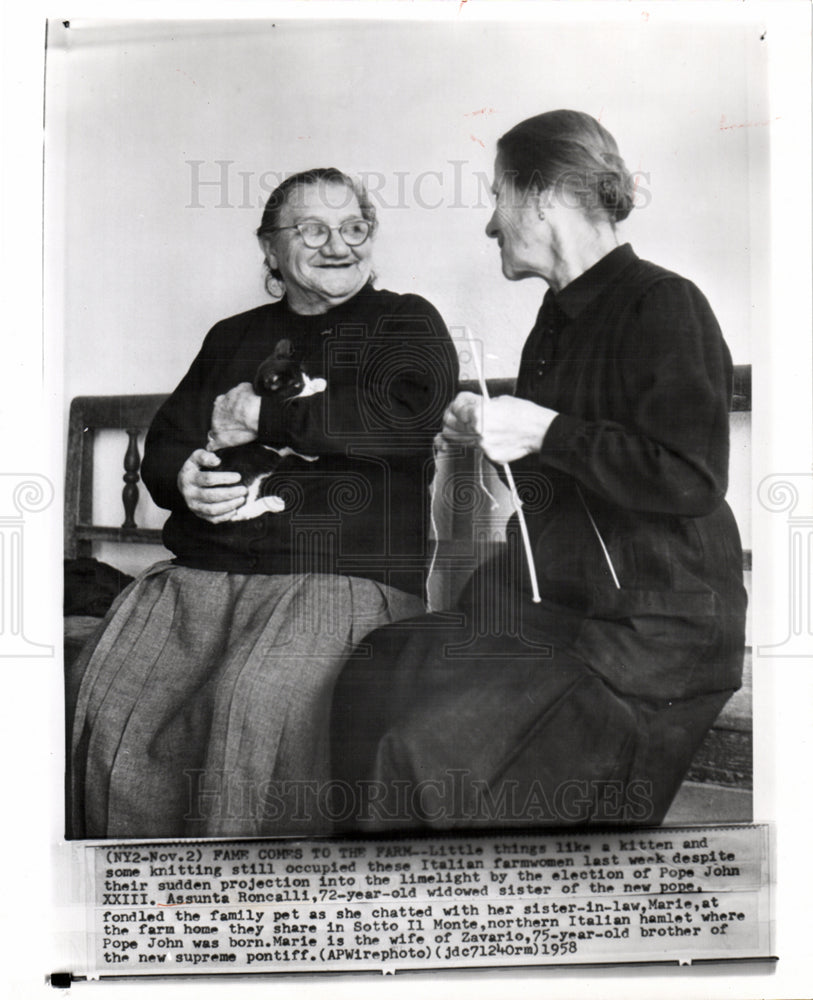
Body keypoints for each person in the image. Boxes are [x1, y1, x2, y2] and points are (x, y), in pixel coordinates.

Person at [331, 112, 747, 831]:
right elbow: (562, 481)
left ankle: (425, 916)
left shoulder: (662, 302)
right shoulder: (553, 321)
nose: (490, 224)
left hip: (652, 627)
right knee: (382, 663)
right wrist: (493, 438)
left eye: (498, 196)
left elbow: (689, 477)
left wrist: (544, 428)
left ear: (544, 193)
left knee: (422, 749)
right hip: (558, 602)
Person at [69, 167, 458, 839]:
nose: (337, 244)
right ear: (270, 249)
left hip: (337, 579)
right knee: (109, 696)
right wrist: (182, 476)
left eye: (354, 227)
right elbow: (169, 441)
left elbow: (406, 420)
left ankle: (256, 907)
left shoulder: (404, 321)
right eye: (312, 228)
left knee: (254, 701)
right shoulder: (232, 335)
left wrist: (267, 417)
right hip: (203, 579)